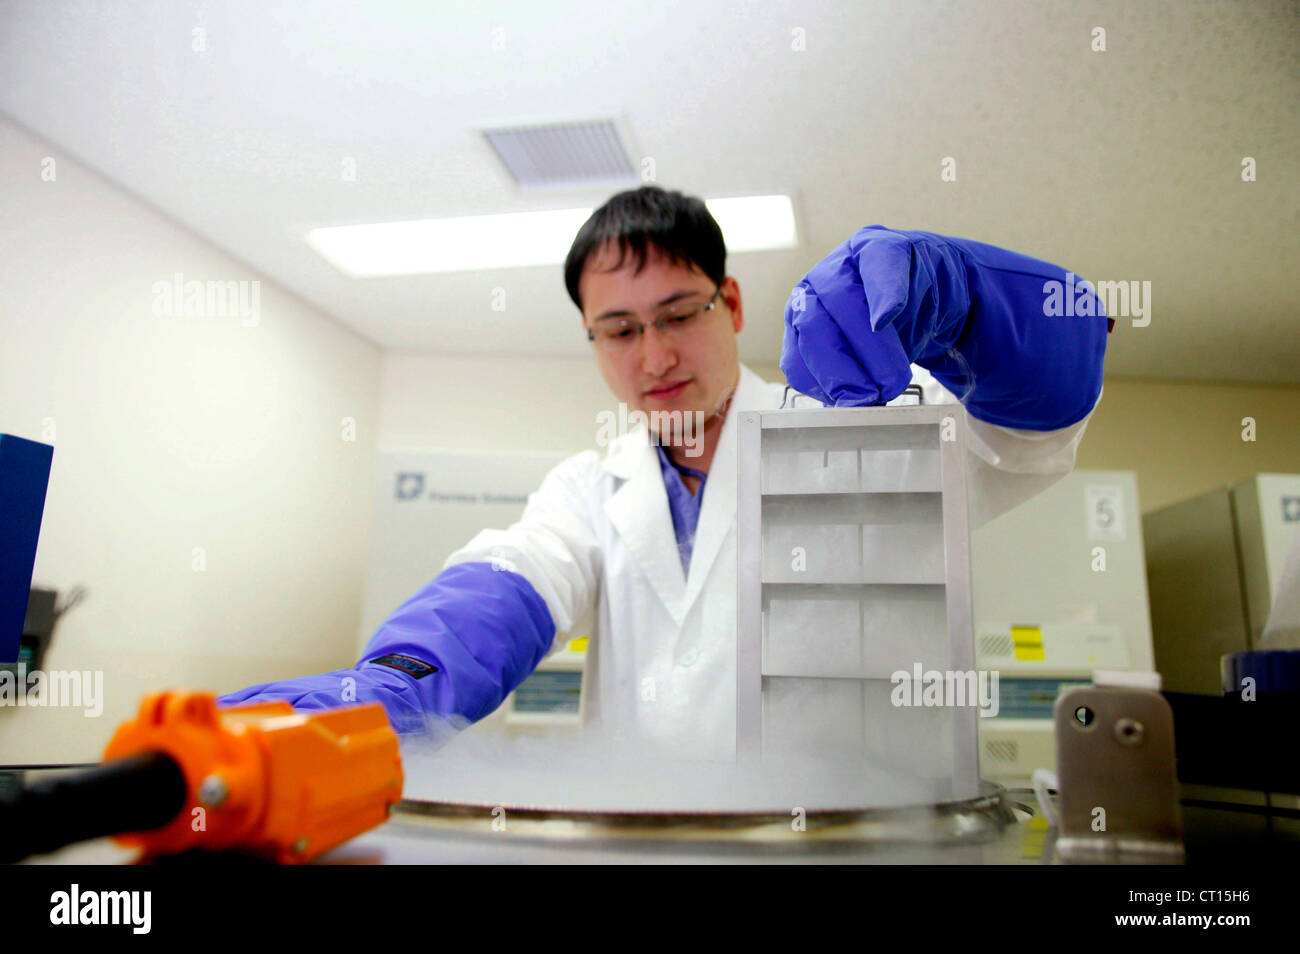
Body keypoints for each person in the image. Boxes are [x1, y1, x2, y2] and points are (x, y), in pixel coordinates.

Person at [219, 186, 1110, 759]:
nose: (653, 357)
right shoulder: (586, 488)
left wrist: (961, 302)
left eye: (678, 314)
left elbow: (1036, 417)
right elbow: (514, 578)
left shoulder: (869, 413)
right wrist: (399, 681)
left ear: (729, 303)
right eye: (618, 329)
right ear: (593, 339)